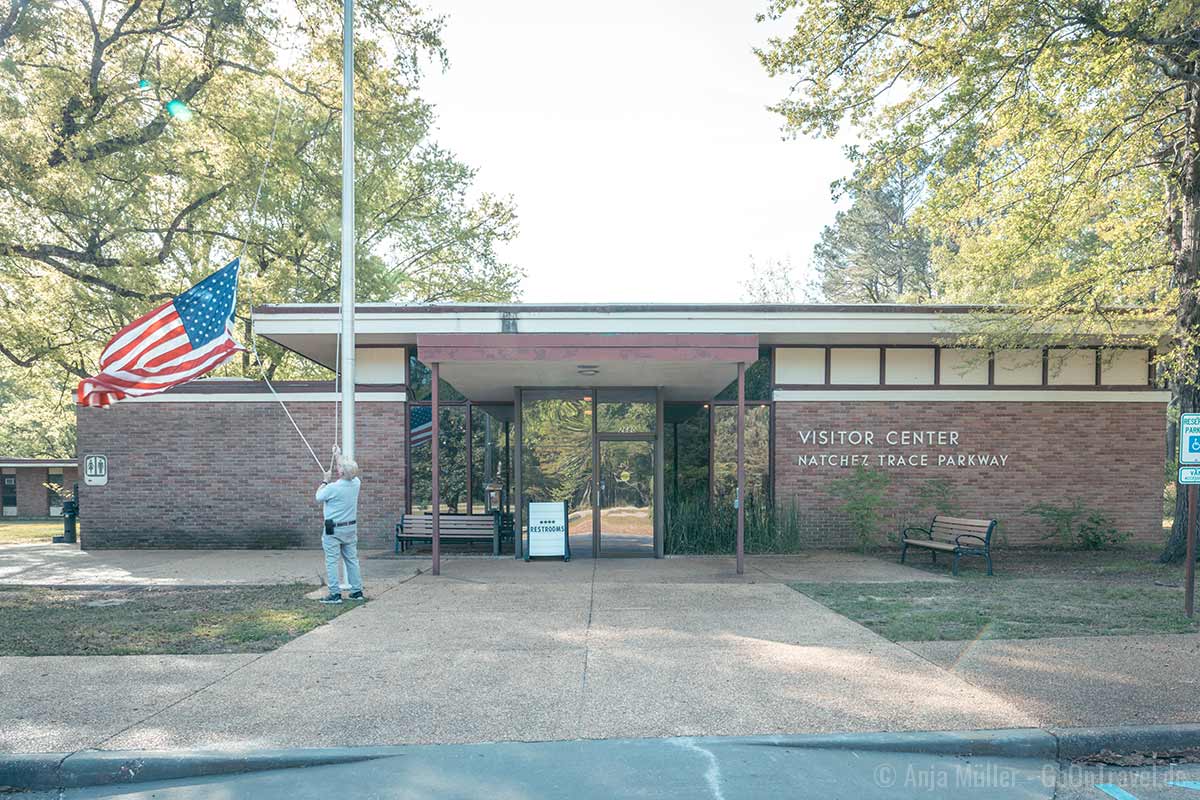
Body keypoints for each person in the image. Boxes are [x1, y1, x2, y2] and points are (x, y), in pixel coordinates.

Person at [315, 444, 364, 603]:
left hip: (333, 530)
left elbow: (318, 497)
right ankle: (357, 591)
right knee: (352, 560)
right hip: (350, 528)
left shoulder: (333, 488)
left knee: (331, 561)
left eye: (340, 466)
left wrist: (324, 480)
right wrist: (338, 455)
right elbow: (346, 468)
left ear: (341, 472)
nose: (338, 467)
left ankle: (335, 594)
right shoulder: (356, 482)